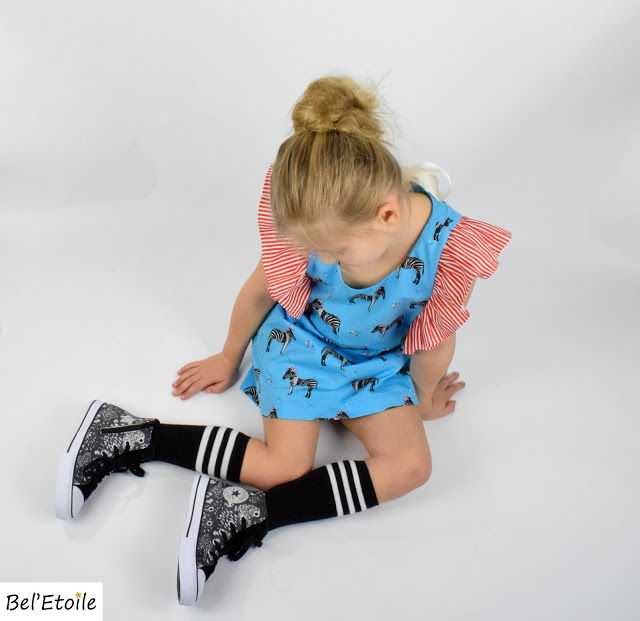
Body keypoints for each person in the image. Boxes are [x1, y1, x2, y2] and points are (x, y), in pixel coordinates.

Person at [56, 75, 511, 606]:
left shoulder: (450, 248)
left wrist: (425, 396)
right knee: (283, 466)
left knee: (412, 466)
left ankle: (250, 513)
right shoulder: (322, 217)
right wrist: (229, 355)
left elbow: (434, 340)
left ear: (387, 215)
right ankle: (129, 434)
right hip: (302, 343)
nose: (325, 260)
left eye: (336, 253)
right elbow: (261, 289)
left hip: (377, 365)